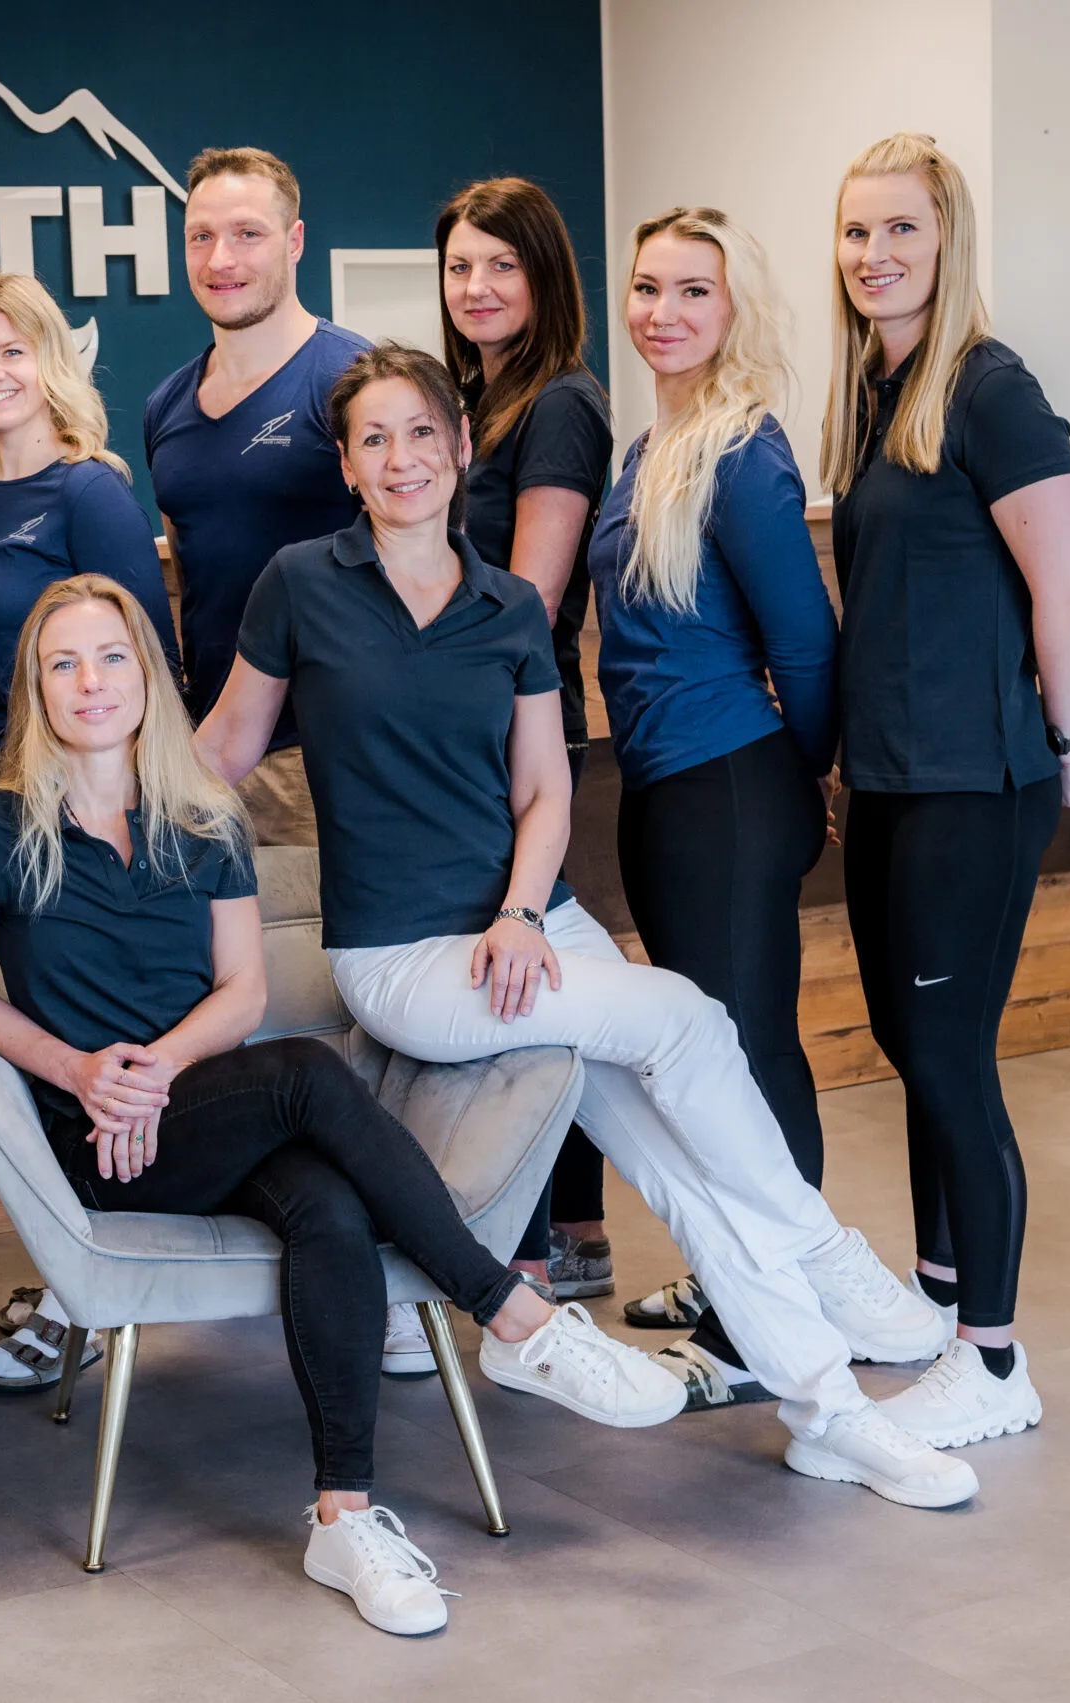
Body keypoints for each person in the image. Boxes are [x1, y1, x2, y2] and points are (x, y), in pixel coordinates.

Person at [196, 343, 974, 1509]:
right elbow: (221, 753)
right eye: (373, 439)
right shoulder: (298, 583)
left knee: (679, 1171)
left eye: (422, 433)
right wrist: (89, 805)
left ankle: (831, 1412)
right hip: (405, 955)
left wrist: (520, 911)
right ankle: (822, 1250)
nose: (401, 459)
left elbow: (544, 788)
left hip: (527, 924)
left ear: (461, 447)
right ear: (347, 466)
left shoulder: (510, 604)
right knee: (682, 1014)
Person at [0, 574, 685, 1636]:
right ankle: (511, 1311)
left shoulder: (202, 818)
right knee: (305, 1073)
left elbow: (239, 992)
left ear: (146, 676)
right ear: (35, 687)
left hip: (193, 1102)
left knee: (327, 1205)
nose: (90, 680)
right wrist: (81, 1072)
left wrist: (152, 1063)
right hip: (93, 1133)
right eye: (63, 662)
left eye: (111, 656)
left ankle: (343, 1512)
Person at [821, 135, 1070, 1448]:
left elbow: (1067, 586)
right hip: (887, 778)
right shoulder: (881, 390)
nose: (874, 255)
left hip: (973, 781)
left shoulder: (992, 390)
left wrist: (1065, 730)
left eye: (899, 232)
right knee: (911, 1050)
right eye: (856, 233)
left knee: (949, 1055)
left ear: (948, 243)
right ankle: (941, 1310)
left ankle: (994, 1363)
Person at [588, 209, 841, 1412]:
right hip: (664, 787)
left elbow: (804, 639)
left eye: (694, 291)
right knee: (701, 1057)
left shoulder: (743, 448)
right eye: (648, 287)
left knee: (746, 1060)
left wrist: (787, 782)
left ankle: (765, 1326)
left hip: (727, 784)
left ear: (734, 310)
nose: (664, 311)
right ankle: (725, 1274)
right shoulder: (653, 447)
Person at [436, 177, 617, 1313]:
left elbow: (530, 596)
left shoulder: (561, 402)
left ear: (544, 275)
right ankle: (565, 1226)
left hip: (522, 721)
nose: (476, 286)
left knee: (532, 971)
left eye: (500, 264)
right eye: (459, 265)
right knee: (522, 971)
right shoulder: (479, 393)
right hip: (477, 720)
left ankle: (555, 1239)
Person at [144, 145, 371, 848]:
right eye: (201, 237)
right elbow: (190, 568)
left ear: (295, 240)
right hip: (208, 753)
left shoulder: (353, 380)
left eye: (247, 233)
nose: (221, 260)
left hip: (326, 754)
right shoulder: (166, 405)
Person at [0, 271, 180, 806]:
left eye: (12, 351)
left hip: (73, 776)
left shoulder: (90, 492)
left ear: (50, 360)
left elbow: (158, 665)